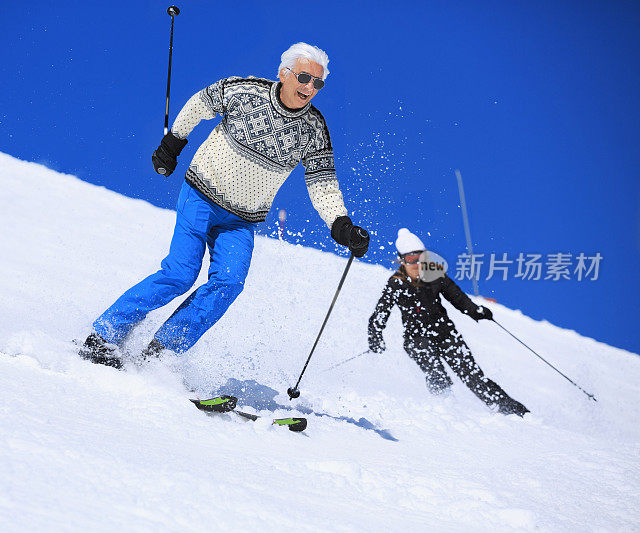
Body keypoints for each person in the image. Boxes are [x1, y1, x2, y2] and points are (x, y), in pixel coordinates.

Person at [80, 42, 370, 368]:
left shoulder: (313, 129)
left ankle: (158, 356)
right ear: (283, 74)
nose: (309, 88)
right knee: (180, 274)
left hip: (241, 220)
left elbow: (323, 184)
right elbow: (199, 104)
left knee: (228, 283)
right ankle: (104, 335)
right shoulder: (245, 92)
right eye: (304, 77)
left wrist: (340, 224)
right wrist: (174, 141)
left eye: (318, 83)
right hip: (201, 195)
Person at [368, 228, 529, 416]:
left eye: (421, 257)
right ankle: (445, 410)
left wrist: (476, 311)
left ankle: (515, 412)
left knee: (473, 376)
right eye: (411, 259)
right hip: (416, 338)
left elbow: (458, 298)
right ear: (402, 260)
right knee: (436, 372)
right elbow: (380, 313)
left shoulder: (434, 274)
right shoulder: (396, 283)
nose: (417, 263)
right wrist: (375, 336)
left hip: (446, 334)